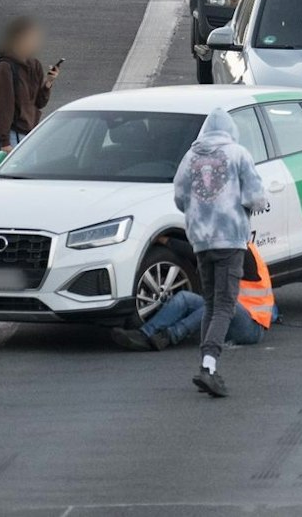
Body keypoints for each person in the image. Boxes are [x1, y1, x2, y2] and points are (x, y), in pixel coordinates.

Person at [172, 108, 269, 397]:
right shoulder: (238, 154)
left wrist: (200, 210)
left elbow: (179, 197)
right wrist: (257, 204)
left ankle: (206, 364)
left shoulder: (190, 157)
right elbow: (255, 196)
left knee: (211, 304)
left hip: (201, 240)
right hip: (230, 239)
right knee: (225, 305)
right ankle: (209, 367)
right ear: (230, 130)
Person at [112, 242, 273, 351]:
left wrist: (169, 242)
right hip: (231, 316)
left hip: (251, 327)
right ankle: (144, 334)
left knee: (217, 304)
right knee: (184, 298)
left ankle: (168, 336)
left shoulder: (243, 254)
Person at [0, 15, 58, 152]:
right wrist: (4, 142)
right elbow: (3, 105)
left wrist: (49, 82)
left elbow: (39, 103)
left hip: (29, 135)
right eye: (30, 38)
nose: (34, 42)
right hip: (11, 136)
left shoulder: (34, 65)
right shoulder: (5, 67)